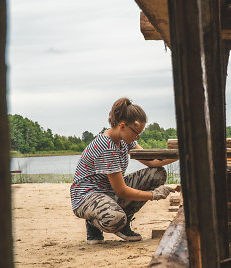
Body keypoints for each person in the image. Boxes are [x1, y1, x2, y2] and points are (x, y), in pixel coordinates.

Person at [70, 97, 177, 244]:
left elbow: (153, 161)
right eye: (136, 132)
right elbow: (120, 191)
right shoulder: (107, 146)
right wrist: (152, 195)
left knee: (157, 173)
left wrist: (181, 153)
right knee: (115, 219)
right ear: (122, 126)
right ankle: (92, 223)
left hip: (109, 192)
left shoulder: (125, 141)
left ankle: (124, 221)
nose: (138, 136)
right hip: (87, 196)